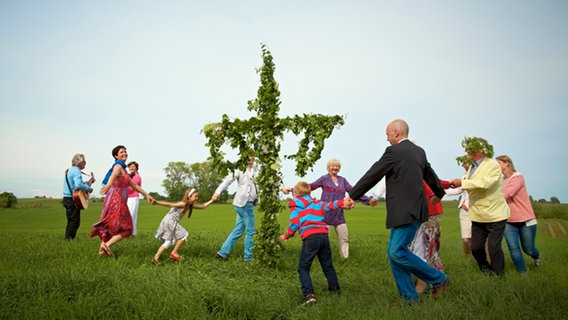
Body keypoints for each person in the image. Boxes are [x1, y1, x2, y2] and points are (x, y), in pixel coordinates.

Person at [344, 119, 450, 304]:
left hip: (404, 211)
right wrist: (439, 193)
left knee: (397, 252)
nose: (386, 139)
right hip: (413, 210)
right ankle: (409, 299)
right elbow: (430, 173)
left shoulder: (394, 151)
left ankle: (439, 279)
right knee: (394, 254)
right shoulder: (419, 151)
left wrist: (352, 195)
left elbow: (374, 173)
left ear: (396, 133)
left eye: (387, 134)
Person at [281, 158, 370, 259]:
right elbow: (310, 187)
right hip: (325, 214)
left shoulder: (343, 180)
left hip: (338, 214)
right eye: (333, 166)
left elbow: (353, 191)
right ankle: (319, 257)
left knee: (344, 237)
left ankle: (345, 258)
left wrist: (368, 200)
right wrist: (292, 189)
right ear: (328, 167)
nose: (335, 168)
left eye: (337, 166)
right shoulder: (324, 179)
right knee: (322, 239)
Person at [450, 137, 510, 276]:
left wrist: (462, 183)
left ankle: (499, 275)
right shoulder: (472, 167)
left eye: (470, 148)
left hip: (495, 215)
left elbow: (484, 183)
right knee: (476, 248)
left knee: (493, 247)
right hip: (477, 215)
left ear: (480, 150)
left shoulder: (493, 165)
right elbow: (467, 185)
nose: (467, 151)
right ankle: (486, 270)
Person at [279, 181, 342, 305]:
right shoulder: (317, 203)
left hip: (310, 238)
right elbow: (330, 205)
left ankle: (309, 295)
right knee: (328, 266)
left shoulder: (295, 205)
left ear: (295, 193)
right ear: (309, 192)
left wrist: (286, 236)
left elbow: (295, 223)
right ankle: (335, 292)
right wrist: (342, 202)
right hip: (324, 236)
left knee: (303, 267)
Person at [90, 145, 154, 257]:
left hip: (119, 199)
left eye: (125, 151)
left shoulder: (124, 169)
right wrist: (108, 185)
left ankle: (101, 252)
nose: (124, 153)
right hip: (116, 199)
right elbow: (114, 173)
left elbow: (133, 185)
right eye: (121, 152)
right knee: (128, 228)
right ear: (116, 156)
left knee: (110, 226)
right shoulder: (118, 165)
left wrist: (146, 194)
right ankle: (107, 245)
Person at [496, 155, 541, 272]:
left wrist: (492, 198)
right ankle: (523, 274)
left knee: (528, 249)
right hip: (508, 221)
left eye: (498, 163)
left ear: (507, 163)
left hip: (525, 219)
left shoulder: (518, 177)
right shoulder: (499, 181)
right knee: (513, 248)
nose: (496, 166)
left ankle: (536, 256)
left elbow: (508, 193)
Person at [212, 154, 259, 262]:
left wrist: (281, 188)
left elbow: (268, 179)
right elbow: (227, 180)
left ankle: (222, 253)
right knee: (251, 231)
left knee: (238, 230)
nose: (250, 158)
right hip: (243, 203)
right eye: (248, 155)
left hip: (249, 203)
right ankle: (248, 258)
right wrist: (217, 192)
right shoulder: (239, 169)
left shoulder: (257, 169)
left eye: (252, 155)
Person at [151, 188, 214, 264]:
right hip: (170, 221)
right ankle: (174, 253)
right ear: (189, 197)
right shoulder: (183, 204)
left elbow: (202, 206)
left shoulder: (189, 205)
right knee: (184, 234)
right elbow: (170, 204)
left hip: (167, 221)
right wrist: (157, 202)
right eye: (195, 196)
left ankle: (155, 258)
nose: (197, 198)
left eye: (197, 196)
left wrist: (212, 200)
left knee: (168, 242)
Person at [444, 157, 473, 259]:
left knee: (481, 239)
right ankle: (468, 258)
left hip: (478, 210)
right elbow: (457, 191)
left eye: (464, 163)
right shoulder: (464, 177)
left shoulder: (477, 176)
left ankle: (485, 261)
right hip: (465, 210)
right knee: (466, 239)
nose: (462, 165)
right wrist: (442, 188)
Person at [63, 153, 96, 240]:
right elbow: (78, 185)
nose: (85, 163)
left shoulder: (70, 170)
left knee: (71, 220)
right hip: (72, 199)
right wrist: (89, 189)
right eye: (84, 161)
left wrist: (89, 182)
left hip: (67, 198)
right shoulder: (77, 171)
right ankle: (69, 240)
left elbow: (76, 185)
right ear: (79, 162)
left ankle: (67, 239)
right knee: (75, 222)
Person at [126, 161, 142, 237]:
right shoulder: (130, 176)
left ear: (136, 168)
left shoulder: (137, 177)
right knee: (129, 215)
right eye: (130, 167)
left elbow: (132, 187)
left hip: (133, 198)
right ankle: (132, 233)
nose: (131, 168)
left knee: (131, 215)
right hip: (128, 198)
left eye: (133, 167)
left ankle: (131, 233)